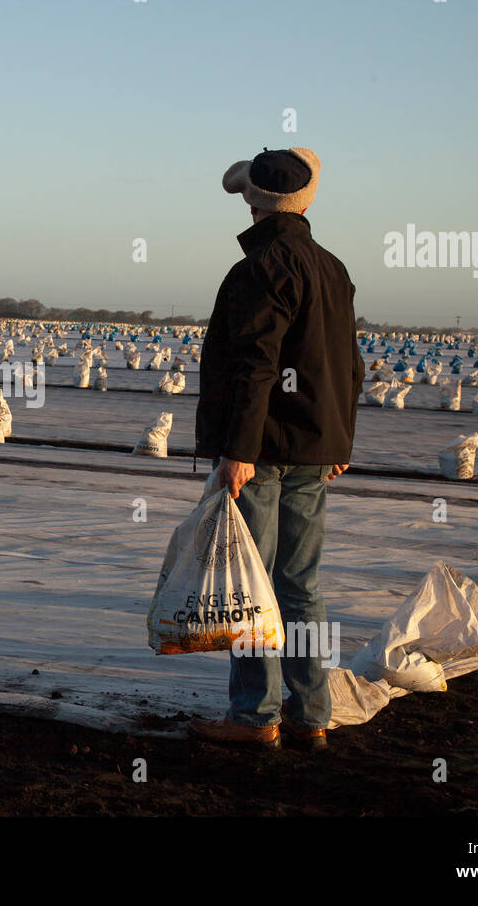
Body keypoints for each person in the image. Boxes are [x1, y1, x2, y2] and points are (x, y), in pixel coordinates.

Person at [190, 147, 364, 751]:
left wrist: (236, 450)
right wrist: (337, 438)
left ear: (254, 202)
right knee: (300, 585)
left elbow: (257, 366)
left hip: (260, 450)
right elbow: (347, 364)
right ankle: (311, 714)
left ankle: (254, 717)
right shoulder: (332, 267)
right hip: (314, 447)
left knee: (250, 583)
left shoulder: (258, 268)